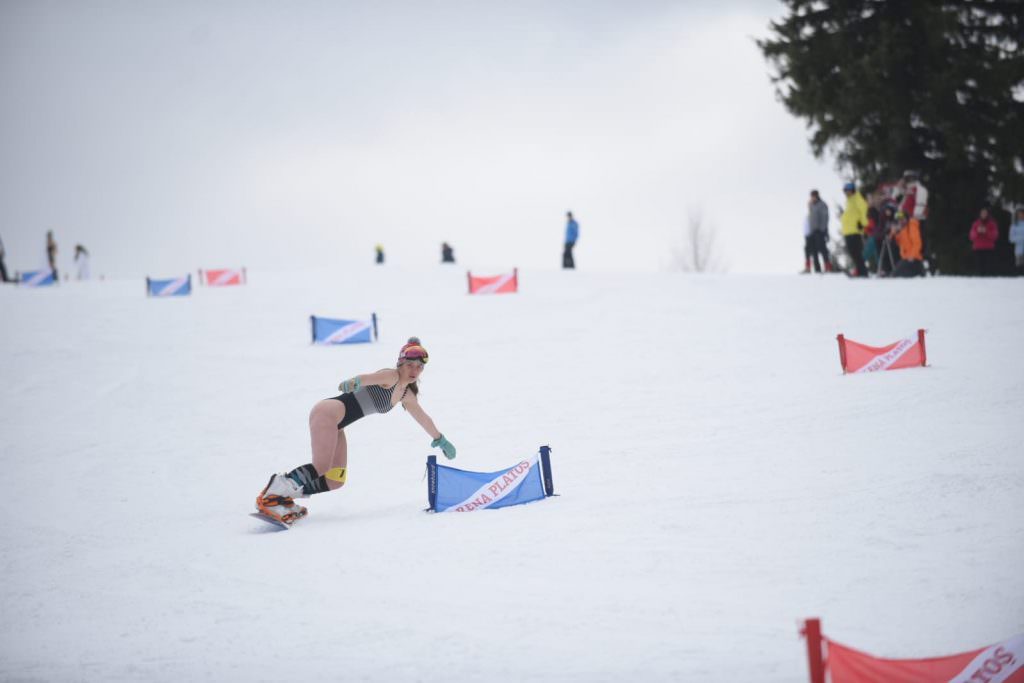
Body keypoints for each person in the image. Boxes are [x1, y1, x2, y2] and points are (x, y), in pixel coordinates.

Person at [254, 337, 456, 526]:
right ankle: (274, 492)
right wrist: (354, 382)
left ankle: (285, 495)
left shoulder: (405, 393)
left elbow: (423, 418)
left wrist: (440, 439)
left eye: (419, 367)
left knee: (335, 480)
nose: (414, 370)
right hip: (327, 412)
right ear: (400, 364)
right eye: (410, 365)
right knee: (321, 465)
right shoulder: (391, 375)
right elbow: (368, 378)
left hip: (338, 424)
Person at [898, 170, 930, 272]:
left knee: (919, 241)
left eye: (908, 178)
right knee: (910, 241)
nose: (907, 180)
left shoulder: (920, 189)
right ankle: (913, 263)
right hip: (907, 221)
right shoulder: (908, 190)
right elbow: (902, 204)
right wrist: (900, 216)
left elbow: (920, 204)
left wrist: (914, 217)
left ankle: (924, 263)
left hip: (917, 220)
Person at [840, 182, 869, 277]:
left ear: (853, 190)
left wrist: (863, 223)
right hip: (848, 231)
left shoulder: (857, 198)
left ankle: (863, 272)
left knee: (856, 252)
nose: (847, 192)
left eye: (849, 190)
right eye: (846, 191)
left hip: (854, 230)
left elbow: (864, 209)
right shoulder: (849, 201)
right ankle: (859, 271)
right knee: (853, 253)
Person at [890, 211, 924, 278]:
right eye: (898, 220)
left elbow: (917, 243)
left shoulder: (911, 226)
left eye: (902, 219)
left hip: (913, 259)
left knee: (896, 275)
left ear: (906, 218)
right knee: (896, 274)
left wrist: (912, 256)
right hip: (906, 258)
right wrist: (894, 233)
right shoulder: (903, 229)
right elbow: (897, 242)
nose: (900, 221)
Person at [805, 189, 830, 273]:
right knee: (812, 250)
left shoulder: (822, 205)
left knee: (822, 249)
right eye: (811, 196)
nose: (812, 198)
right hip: (812, 231)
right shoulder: (811, 205)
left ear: (817, 196)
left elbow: (825, 218)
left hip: (819, 231)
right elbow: (810, 218)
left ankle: (827, 267)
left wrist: (823, 230)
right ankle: (817, 269)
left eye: (814, 196)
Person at [969, 207, 999, 276]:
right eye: (982, 213)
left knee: (988, 265)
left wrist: (986, 231)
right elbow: (971, 236)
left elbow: (995, 236)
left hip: (989, 248)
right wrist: (977, 232)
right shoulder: (975, 224)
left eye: (985, 213)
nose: (983, 215)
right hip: (978, 248)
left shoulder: (992, 224)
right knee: (979, 266)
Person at [1009, 207, 1024, 276]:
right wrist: (1021, 238)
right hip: (1019, 249)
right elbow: (1011, 238)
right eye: (1019, 214)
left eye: (1022, 214)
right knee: (1019, 266)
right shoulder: (1014, 225)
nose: (1021, 215)